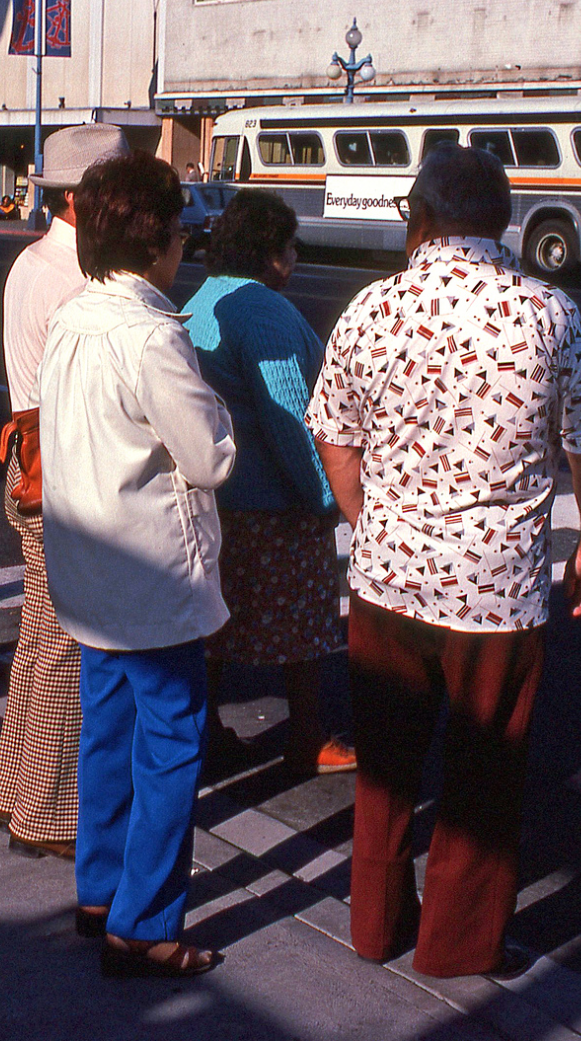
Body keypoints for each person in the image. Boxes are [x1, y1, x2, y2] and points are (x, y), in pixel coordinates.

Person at [307, 144, 581, 979]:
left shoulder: (370, 308)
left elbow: (334, 436)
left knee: (385, 769)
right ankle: (456, 946)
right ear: (504, 222)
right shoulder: (549, 312)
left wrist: (374, 523)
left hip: (386, 584)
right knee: (484, 776)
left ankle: (375, 926)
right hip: (496, 594)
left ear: (417, 218)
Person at [41, 152, 235, 977]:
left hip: (89, 565)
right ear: (155, 240)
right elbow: (209, 458)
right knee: (170, 743)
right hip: (154, 576)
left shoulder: (72, 317)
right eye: (179, 230)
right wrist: (220, 409)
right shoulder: (154, 334)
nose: (184, 244)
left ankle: (99, 890)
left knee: (107, 735)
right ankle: (145, 921)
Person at [182, 189, 355, 777]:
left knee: (213, 628)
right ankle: (307, 738)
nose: (296, 257)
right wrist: (327, 497)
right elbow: (292, 420)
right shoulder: (264, 312)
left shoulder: (204, 298)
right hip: (272, 503)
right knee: (303, 629)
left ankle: (203, 736)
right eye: (290, 246)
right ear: (270, 252)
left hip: (216, 498)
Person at [0, 123, 130, 860]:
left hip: (31, 456)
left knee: (40, 637)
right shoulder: (79, 275)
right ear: (81, 198)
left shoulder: (33, 259)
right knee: (64, 645)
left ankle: (19, 792)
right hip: (63, 465)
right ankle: (47, 815)